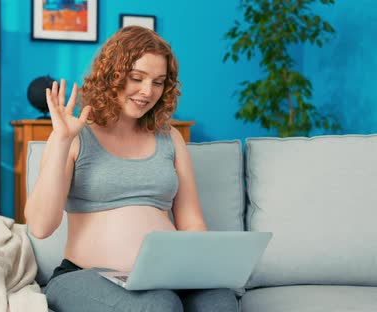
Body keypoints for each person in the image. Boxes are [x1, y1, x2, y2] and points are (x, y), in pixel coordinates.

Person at [25, 26, 238, 312]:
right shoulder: (73, 136)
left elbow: (191, 222)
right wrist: (62, 140)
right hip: (86, 276)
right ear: (111, 75)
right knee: (159, 306)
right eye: (137, 78)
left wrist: (195, 269)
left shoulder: (170, 138)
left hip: (166, 278)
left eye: (159, 82)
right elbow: (39, 226)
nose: (148, 91)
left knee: (220, 301)